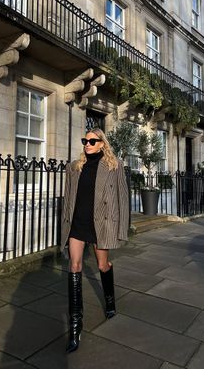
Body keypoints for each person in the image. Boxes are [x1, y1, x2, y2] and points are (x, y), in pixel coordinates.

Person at [61, 128, 129, 353]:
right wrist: (66, 223)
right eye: (85, 140)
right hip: (77, 223)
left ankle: (109, 301)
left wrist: (121, 229)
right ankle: (75, 322)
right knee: (74, 266)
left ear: (102, 144)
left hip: (101, 223)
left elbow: (122, 197)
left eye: (92, 141)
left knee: (102, 264)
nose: (87, 144)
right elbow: (68, 198)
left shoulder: (114, 166)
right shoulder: (74, 167)